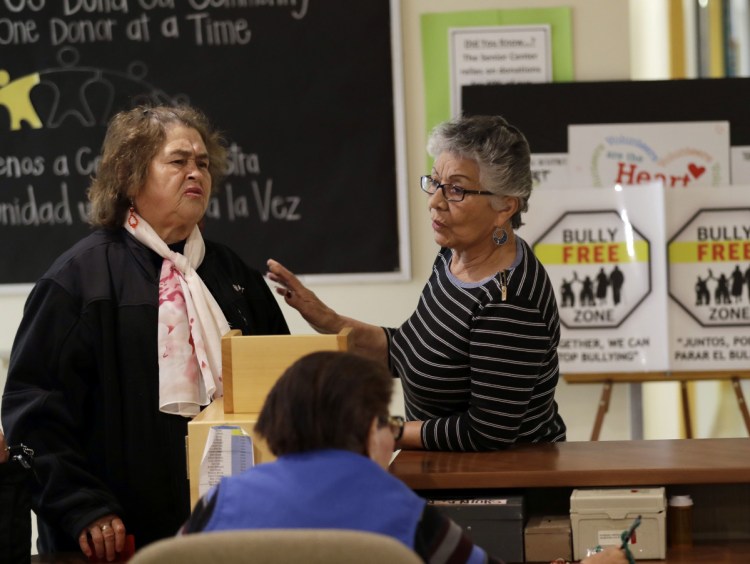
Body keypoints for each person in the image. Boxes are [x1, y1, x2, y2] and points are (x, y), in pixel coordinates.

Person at [1, 105, 289, 561]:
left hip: (233, 529)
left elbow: (281, 392)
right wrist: (83, 507)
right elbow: (33, 413)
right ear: (131, 176)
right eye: (178, 161)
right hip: (111, 536)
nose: (196, 172)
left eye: (203, 163)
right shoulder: (78, 280)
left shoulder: (234, 276)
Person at [267, 114, 566, 452]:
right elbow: (407, 350)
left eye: (456, 189)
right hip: (449, 470)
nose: (435, 201)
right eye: (435, 182)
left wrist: (383, 431)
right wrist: (331, 321)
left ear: (504, 207)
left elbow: (487, 433)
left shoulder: (507, 303)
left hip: (504, 485)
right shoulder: (455, 257)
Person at [179, 351, 626, 564]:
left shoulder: (219, 504)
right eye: (388, 422)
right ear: (368, 428)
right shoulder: (401, 513)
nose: (392, 436)